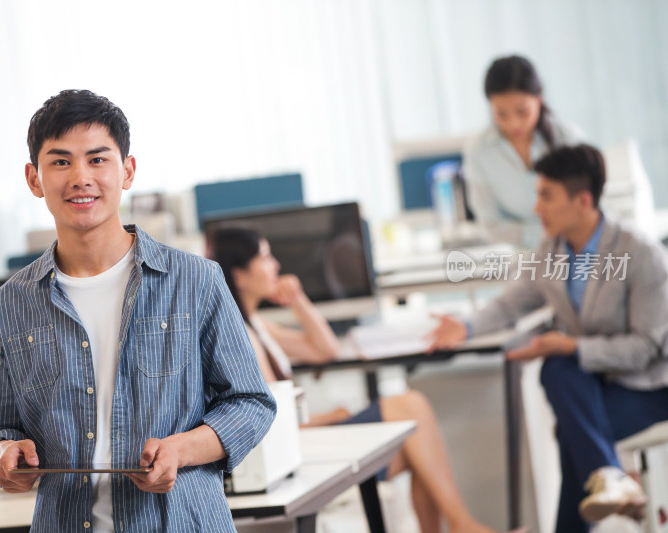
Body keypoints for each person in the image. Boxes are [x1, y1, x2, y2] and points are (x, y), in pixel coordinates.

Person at [0, 90, 276, 532]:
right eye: (60, 162)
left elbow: (251, 403)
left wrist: (181, 451)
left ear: (127, 170)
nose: (80, 177)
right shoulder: (7, 307)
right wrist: (2, 453)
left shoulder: (196, 281)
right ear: (34, 179)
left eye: (98, 159)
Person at [208, 226, 512, 533]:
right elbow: (273, 423)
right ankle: (465, 526)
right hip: (299, 450)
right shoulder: (243, 338)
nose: (275, 265)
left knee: (418, 450)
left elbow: (324, 349)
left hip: (307, 441)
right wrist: (333, 415)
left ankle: (462, 525)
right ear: (240, 276)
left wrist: (298, 300)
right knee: (411, 406)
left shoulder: (257, 324)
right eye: (264, 257)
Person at [430, 144, 668, 532]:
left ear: (583, 200)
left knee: (568, 409)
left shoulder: (640, 254)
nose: (536, 208)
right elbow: (512, 303)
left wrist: (572, 345)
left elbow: (645, 349)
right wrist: (466, 326)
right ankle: (610, 478)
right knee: (558, 370)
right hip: (596, 384)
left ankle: (607, 479)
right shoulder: (551, 250)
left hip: (650, 387)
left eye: (546, 196)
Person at [463, 55, 583, 248]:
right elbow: (489, 224)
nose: (514, 124)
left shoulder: (568, 138)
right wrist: (549, 234)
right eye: (501, 114)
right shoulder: (479, 151)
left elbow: (586, 208)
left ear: (539, 98)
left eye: (523, 112)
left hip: (577, 251)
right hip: (520, 259)